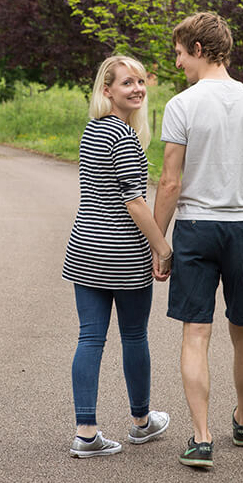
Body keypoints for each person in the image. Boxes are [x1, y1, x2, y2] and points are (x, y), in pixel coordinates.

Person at [153, 12, 243, 469]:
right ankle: (242, 420)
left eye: (181, 55)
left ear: (199, 50)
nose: (180, 64)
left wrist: (159, 245)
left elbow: (169, 183)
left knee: (196, 332)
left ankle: (202, 438)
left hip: (196, 228)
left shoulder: (182, 105)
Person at [62, 55, 172, 458]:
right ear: (106, 90)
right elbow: (135, 202)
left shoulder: (93, 130)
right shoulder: (122, 136)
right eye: (127, 82)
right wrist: (163, 247)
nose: (138, 88)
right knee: (133, 336)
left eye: (141, 81)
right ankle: (142, 423)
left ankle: (86, 432)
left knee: (90, 337)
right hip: (123, 255)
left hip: (84, 250)